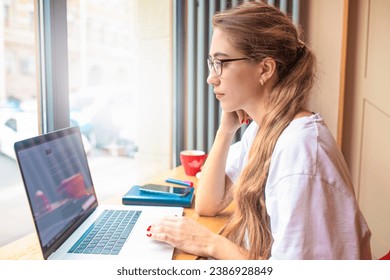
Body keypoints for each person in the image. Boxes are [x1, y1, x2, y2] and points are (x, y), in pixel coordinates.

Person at [148, 1, 372, 260]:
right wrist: (225, 129)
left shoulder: (301, 150)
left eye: (221, 62)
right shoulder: (261, 130)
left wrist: (210, 244)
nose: (211, 77)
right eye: (212, 63)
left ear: (265, 69)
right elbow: (208, 204)